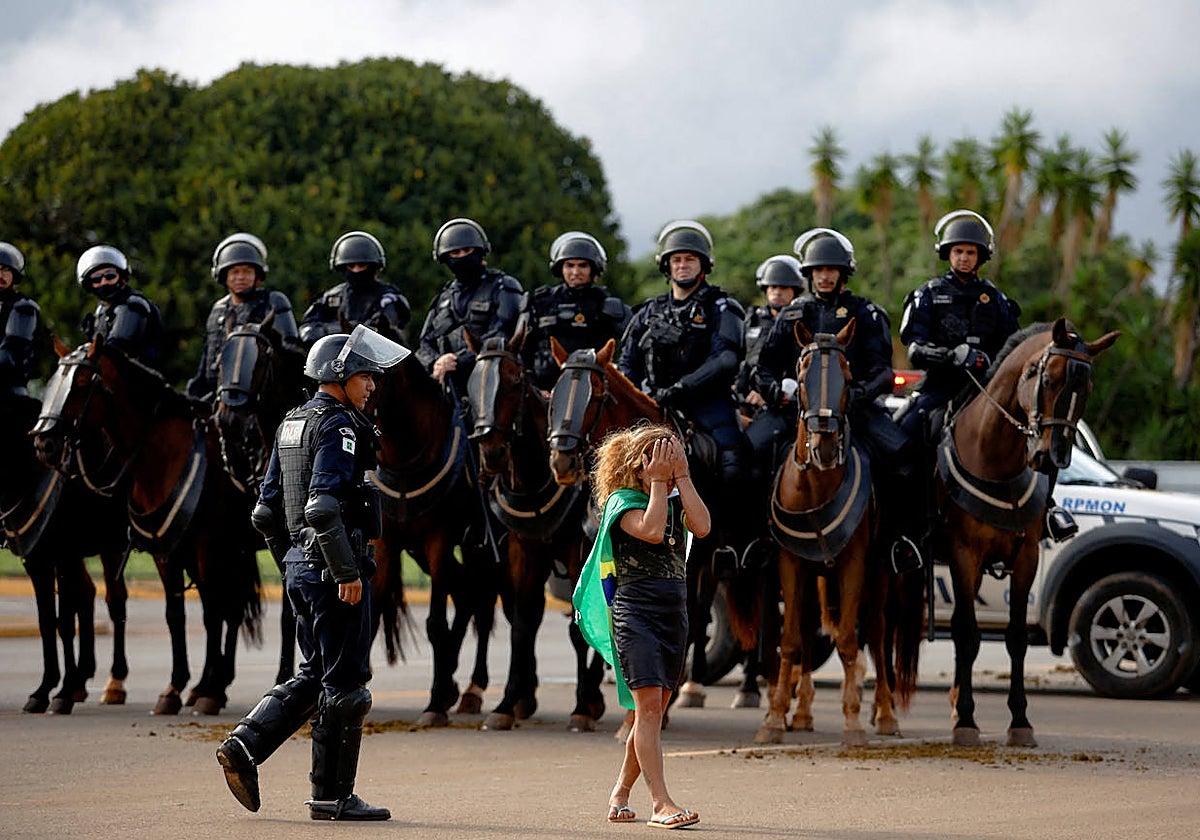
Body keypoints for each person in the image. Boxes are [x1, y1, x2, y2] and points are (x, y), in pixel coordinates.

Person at [216, 324, 409, 822]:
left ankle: (244, 746)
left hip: (305, 568)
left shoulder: (292, 422)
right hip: (333, 569)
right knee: (347, 685)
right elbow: (323, 508)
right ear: (340, 374)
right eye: (366, 376)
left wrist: (292, 561)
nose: (372, 385)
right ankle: (332, 797)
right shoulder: (339, 426)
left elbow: (265, 513)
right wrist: (343, 571)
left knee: (314, 673)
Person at [899, 209, 1075, 542]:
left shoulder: (996, 300)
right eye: (958, 251)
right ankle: (910, 526)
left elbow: (1016, 351)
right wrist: (951, 356)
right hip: (941, 388)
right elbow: (915, 348)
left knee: (1043, 434)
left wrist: (988, 361)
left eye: (970, 252)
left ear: (981, 257)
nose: (964, 258)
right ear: (948, 254)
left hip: (990, 391)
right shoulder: (929, 294)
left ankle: (1048, 509)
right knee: (902, 439)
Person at [753, 228, 922, 572]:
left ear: (843, 274)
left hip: (854, 412)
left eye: (831, 269)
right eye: (818, 270)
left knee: (905, 458)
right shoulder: (791, 314)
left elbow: (882, 371)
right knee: (745, 455)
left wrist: (857, 394)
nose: (825, 275)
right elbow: (763, 368)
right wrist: (775, 392)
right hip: (795, 413)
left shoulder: (867, 313)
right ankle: (754, 541)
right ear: (810, 274)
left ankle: (898, 541)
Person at [572, 423, 708, 829]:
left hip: (673, 614)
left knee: (652, 711)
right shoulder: (622, 502)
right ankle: (660, 803)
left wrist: (681, 479)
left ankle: (619, 795)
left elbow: (701, 527)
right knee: (648, 711)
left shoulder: (672, 498)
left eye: (674, 455)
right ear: (640, 465)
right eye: (660, 457)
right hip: (635, 614)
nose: (668, 464)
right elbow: (649, 531)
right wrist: (656, 484)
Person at [618, 220, 746, 490]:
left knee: (736, 465)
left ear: (703, 265)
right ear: (667, 265)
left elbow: (726, 359)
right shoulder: (649, 311)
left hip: (708, 403)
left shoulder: (720, 306)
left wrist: (680, 388)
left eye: (690, 259)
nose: (683, 265)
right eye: (676, 259)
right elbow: (628, 362)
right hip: (652, 402)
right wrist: (638, 395)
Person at [415, 217, 524, 395]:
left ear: (480, 251)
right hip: (445, 384)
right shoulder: (443, 298)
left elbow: (503, 332)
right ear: (444, 258)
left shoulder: (503, 286)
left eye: (467, 250)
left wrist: (458, 359)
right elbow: (425, 342)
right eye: (455, 253)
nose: (462, 257)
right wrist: (437, 362)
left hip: (491, 382)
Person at [186, 233, 300, 401]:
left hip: (259, 398)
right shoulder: (218, 309)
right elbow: (207, 358)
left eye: (247, 271)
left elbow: (290, 354)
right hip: (215, 395)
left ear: (257, 276)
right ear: (224, 276)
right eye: (235, 272)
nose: (240, 277)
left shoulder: (273, 302)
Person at [520, 231, 631, 393]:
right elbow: (521, 350)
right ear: (560, 268)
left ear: (594, 269)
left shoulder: (607, 306)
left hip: (591, 394)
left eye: (582, 266)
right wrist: (534, 388)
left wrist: (619, 371)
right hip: (541, 394)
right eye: (570, 265)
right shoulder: (539, 302)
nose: (575, 272)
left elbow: (635, 344)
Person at [298, 231, 411, 346]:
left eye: (361, 265)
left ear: (373, 266)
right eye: (351, 266)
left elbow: (377, 333)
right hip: (334, 357)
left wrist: (333, 329)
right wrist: (340, 330)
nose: (356, 270)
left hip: (375, 359)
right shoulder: (331, 297)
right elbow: (307, 330)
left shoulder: (388, 298)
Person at [735, 254, 803, 421]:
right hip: (746, 397)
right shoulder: (753, 319)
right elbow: (744, 361)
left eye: (784, 287)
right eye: (773, 287)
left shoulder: (801, 323)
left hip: (785, 398)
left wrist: (770, 394)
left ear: (794, 291)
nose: (777, 292)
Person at [78, 245, 162, 366]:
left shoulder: (132, 305)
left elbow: (118, 346)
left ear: (121, 277)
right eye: (96, 279)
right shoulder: (101, 310)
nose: (104, 282)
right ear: (89, 284)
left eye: (110, 275)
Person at [0, 242, 39, 397]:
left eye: (5, 270)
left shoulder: (24, 308)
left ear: (14, 274)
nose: (0, 275)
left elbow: (7, 357)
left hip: (9, 396)